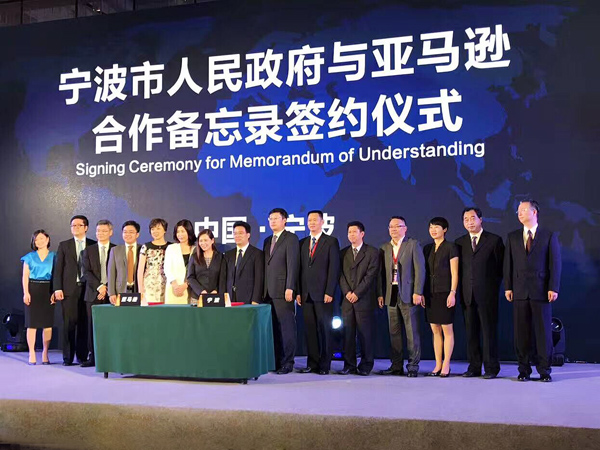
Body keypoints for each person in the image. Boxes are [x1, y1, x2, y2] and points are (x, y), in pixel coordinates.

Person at [504, 199, 561, 382]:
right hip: (519, 291)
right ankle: (523, 370)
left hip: (542, 291)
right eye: (518, 211)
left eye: (523, 210)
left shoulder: (548, 235)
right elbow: (508, 264)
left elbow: (555, 263)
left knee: (543, 333)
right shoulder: (513, 237)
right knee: (521, 333)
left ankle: (544, 370)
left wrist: (553, 287)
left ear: (534, 212)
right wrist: (508, 286)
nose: (519, 213)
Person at [456, 207, 504, 379]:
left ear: (480, 219)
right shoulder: (459, 243)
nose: (469, 222)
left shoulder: (494, 240)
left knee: (489, 332)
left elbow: (501, 269)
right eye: (466, 219)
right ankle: (474, 367)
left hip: (487, 295)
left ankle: (491, 368)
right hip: (467, 295)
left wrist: (492, 287)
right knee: (471, 332)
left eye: (472, 218)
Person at [376, 216, 425, 377]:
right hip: (391, 294)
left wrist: (418, 291)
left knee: (412, 332)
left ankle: (413, 366)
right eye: (391, 227)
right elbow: (380, 274)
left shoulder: (412, 244)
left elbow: (420, 270)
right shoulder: (385, 247)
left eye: (397, 226)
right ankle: (396, 365)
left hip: (408, 294)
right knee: (394, 332)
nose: (394, 229)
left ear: (405, 228)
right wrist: (380, 294)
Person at [296, 210, 340, 375]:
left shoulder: (331, 241)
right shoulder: (303, 243)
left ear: (322, 222)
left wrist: (330, 291)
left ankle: (325, 364)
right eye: (309, 220)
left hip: (323, 294)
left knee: (325, 330)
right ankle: (312, 363)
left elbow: (334, 268)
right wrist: (298, 291)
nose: (312, 223)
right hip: (306, 294)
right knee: (310, 330)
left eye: (315, 220)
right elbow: (299, 269)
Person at [53, 215, 96, 366]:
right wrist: (57, 288)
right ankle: (67, 357)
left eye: (79, 225)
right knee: (69, 324)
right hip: (69, 290)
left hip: (88, 289)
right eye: (73, 225)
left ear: (86, 227)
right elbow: (58, 269)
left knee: (85, 323)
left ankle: (82, 356)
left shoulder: (93, 244)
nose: (75, 228)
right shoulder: (64, 245)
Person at [338, 221, 379, 376]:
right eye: (349, 232)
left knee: (365, 334)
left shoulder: (372, 252)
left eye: (354, 232)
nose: (351, 235)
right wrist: (347, 292)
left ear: (362, 234)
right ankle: (349, 365)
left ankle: (366, 365)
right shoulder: (343, 253)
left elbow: (370, 276)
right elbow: (340, 275)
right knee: (348, 334)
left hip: (364, 300)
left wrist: (357, 293)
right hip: (347, 300)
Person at [263, 208, 300, 375]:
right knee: (274, 330)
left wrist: (290, 287)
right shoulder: (267, 240)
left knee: (286, 328)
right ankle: (276, 361)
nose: (272, 221)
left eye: (276, 218)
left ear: (284, 220)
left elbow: (293, 264)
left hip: (283, 290)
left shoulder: (290, 238)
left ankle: (288, 362)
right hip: (268, 291)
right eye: (270, 218)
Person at [423, 217, 459, 378]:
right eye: (431, 227)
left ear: (445, 229)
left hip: (445, 293)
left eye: (436, 227)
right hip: (430, 293)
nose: (433, 230)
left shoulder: (451, 247)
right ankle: (437, 364)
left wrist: (453, 292)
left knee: (447, 329)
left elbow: (454, 273)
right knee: (435, 330)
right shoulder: (427, 248)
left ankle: (446, 364)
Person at [80, 220, 115, 367]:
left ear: (110, 232)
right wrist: (100, 287)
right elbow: (86, 272)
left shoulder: (116, 249)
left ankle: (111, 357)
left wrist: (107, 288)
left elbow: (118, 272)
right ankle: (93, 357)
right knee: (92, 326)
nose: (100, 233)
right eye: (98, 231)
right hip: (92, 293)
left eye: (104, 231)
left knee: (111, 326)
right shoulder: (88, 251)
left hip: (112, 294)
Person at [21, 230, 56, 365]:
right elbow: (25, 276)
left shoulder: (55, 256)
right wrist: (26, 292)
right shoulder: (29, 257)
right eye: (36, 240)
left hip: (48, 290)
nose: (39, 241)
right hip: (33, 289)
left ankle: (45, 353)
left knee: (47, 324)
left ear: (47, 239)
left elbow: (57, 276)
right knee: (32, 323)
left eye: (42, 238)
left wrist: (54, 291)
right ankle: (32, 352)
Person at [224, 221, 264, 305]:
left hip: (248, 299)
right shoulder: (228, 254)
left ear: (248, 235)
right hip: (230, 299)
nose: (237, 236)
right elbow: (225, 278)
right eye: (235, 233)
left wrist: (255, 299)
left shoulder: (257, 254)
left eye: (240, 233)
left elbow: (259, 279)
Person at [137, 218, 171, 305]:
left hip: (167, 285)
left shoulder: (171, 247)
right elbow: (140, 270)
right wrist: (140, 289)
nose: (155, 231)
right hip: (149, 286)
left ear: (165, 230)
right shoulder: (146, 247)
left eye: (158, 228)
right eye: (152, 229)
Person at [108, 221, 141, 304]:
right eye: (125, 232)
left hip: (138, 289)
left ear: (137, 234)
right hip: (120, 289)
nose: (127, 234)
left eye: (131, 232)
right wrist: (111, 293)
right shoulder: (115, 250)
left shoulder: (143, 249)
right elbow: (111, 272)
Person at [187, 229, 226, 300]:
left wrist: (216, 290)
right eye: (201, 241)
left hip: (215, 297)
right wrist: (201, 291)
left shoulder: (220, 257)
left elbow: (222, 278)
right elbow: (190, 277)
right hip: (197, 297)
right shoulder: (194, 257)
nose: (203, 243)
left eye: (205, 240)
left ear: (212, 240)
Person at [164, 219, 196, 305]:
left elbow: (196, 271)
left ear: (189, 232)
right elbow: (167, 269)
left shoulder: (195, 250)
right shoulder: (171, 248)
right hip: (173, 289)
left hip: (190, 289)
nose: (180, 234)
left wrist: (185, 285)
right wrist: (175, 285)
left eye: (183, 231)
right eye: (178, 232)